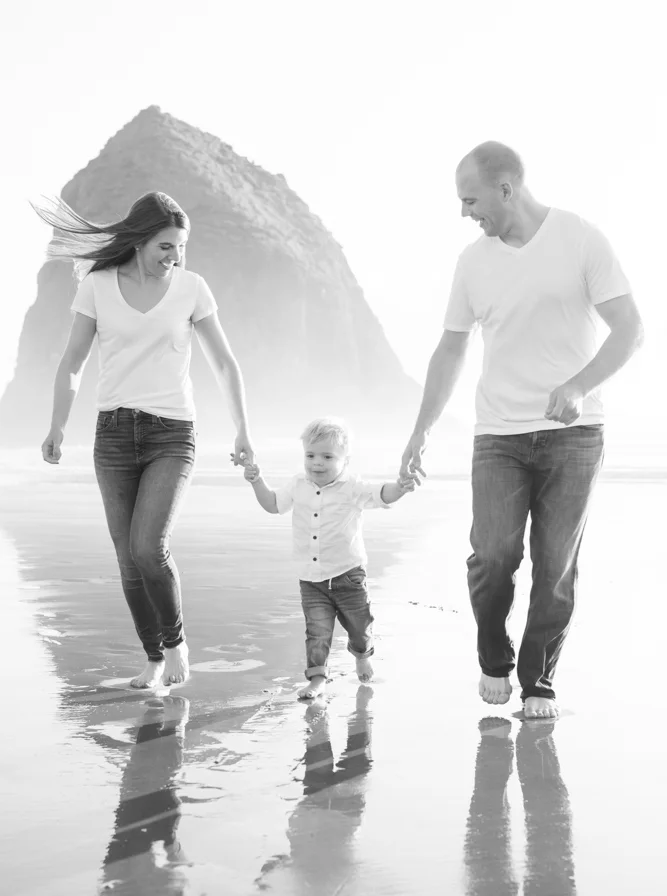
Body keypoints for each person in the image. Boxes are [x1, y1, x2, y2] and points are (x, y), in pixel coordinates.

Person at [400, 142, 644, 719]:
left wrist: (579, 385)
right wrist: (420, 431)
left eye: (471, 199)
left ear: (506, 188)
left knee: (555, 566)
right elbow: (452, 348)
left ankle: (538, 681)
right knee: (492, 556)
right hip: (499, 438)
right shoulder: (472, 262)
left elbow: (629, 329)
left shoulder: (581, 238)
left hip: (575, 435)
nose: (465, 213)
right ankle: (493, 656)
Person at [35, 191, 254, 688]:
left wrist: (243, 430)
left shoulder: (193, 288)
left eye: (179, 247)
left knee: (148, 547)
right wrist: (56, 425)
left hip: (172, 434)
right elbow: (72, 362)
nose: (173, 257)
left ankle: (176, 645)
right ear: (138, 241)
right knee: (126, 558)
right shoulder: (97, 286)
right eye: (164, 246)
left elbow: (224, 363)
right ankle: (153, 659)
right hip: (112, 434)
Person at [241, 417, 417, 700]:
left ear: (345, 460)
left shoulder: (352, 487)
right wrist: (256, 481)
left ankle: (361, 654)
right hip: (311, 580)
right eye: (310, 455)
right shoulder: (298, 484)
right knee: (317, 632)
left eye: (327, 456)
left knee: (359, 626)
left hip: (348, 574)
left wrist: (400, 486)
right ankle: (317, 679)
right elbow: (273, 505)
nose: (317, 463)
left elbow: (381, 495)